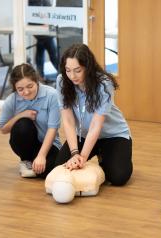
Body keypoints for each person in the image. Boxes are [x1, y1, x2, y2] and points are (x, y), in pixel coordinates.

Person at [55, 43, 132, 186]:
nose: (72, 76)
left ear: (87, 67)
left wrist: (82, 157)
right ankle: (93, 153)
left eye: (77, 70)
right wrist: (74, 153)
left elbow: (96, 125)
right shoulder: (62, 81)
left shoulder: (104, 84)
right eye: (68, 70)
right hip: (83, 135)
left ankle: (102, 155)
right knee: (59, 167)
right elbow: (68, 121)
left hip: (112, 135)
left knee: (118, 177)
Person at [0, 63, 61, 178]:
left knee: (49, 171)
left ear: (36, 81)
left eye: (30, 86)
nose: (26, 92)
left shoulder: (52, 95)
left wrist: (42, 156)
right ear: (15, 88)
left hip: (49, 144)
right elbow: (3, 129)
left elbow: (53, 129)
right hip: (26, 145)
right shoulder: (12, 100)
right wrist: (21, 115)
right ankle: (26, 160)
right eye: (20, 89)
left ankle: (34, 163)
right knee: (22, 125)